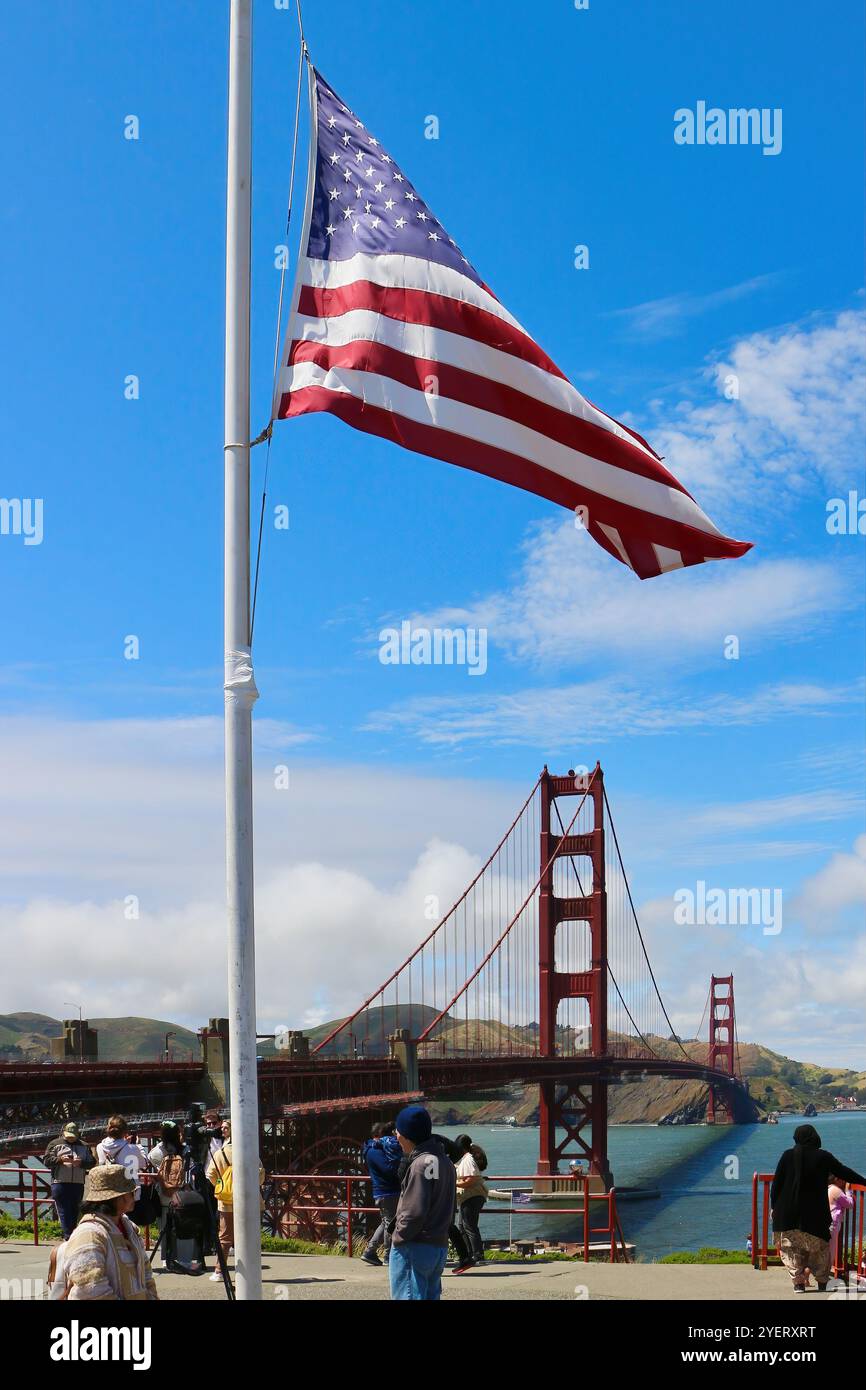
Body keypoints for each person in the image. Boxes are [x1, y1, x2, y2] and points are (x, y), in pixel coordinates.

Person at [770, 1124, 866, 1292]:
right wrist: (864, 1181)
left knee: (791, 1249)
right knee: (819, 1247)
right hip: (814, 1212)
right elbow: (844, 1172)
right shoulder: (823, 1157)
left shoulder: (787, 1156)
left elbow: (776, 1185)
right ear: (814, 1137)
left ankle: (798, 1284)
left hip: (787, 1212)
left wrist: (773, 1207)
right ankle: (822, 1282)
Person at [59, 1163, 158, 1301]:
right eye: (132, 1192)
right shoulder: (89, 1234)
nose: (135, 1196)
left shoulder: (129, 1226)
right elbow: (89, 1288)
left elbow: (146, 1271)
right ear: (116, 1198)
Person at [389, 1105, 456, 1302]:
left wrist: (398, 1237)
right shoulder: (444, 1161)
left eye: (397, 1131)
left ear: (407, 1135)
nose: (396, 1136)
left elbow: (414, 1212)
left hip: (414, 1245)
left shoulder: (420, 1164)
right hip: (438, 1246)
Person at [204, 1119, 265, 1281]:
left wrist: (221, 1184)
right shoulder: (249, 1151)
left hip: (227, 1200)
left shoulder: (220, 1153)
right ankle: (252, 1270)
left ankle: (219, 1271)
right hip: (250, 1199)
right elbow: (260, 1176)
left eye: (225, 1128)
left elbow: (210, 1174)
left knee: (225, 1237)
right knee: (251, 1236)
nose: (222, 1130)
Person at [42, 1122, 95, 1239]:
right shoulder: (54, 1144)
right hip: (60, 1183)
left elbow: (92, 1162)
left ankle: (71, 1236)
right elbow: (46, 1161)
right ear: (63, 1133)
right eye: (68, 1136)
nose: (71, 1139)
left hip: (78, 1184)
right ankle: (68, 1237)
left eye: (73, 1136)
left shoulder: (84, 1146)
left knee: (75, 1211)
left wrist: (81, 1163)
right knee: (64, 1212)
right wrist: (60, 1160)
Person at [361, 1121, 402, 1266]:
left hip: (383, 1191)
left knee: (386, 1222)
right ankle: (388, 1255)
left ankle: (370, 1251)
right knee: (390, 1224)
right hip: (387, 1191)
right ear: (379, 1135)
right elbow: (389, 1170)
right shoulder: (374, 1151)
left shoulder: (373, 1149)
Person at [147, 1121, 185, 1271]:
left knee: (164, 1225)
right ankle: (181, 1256)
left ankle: (166, 1258)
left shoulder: (156, 1152)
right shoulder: (183, 1149)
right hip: (181, 1192)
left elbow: (151, 1164)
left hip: (164, 1192)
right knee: (180, 1225)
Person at [454, 1133, 488, 1271]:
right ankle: (469, 1254)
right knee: (462, 1226)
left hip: (472, 1196)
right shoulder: (468, 1158)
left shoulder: (467, 1159)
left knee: (469, 1226)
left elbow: (470, 1180)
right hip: (471, 1196)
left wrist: (454, 1184)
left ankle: (477, 1255)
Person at [96, 1115, 149, 1201]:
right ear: (125, 1132)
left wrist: (124, 1142)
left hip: (108, 1192)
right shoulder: (133, 1148)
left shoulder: (100, 1147)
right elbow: (144, 1163)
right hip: (129, 1194)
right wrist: (138, 1146)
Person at [828, 1174, 855, 1273]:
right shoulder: (836, 1190)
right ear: (837, 1179)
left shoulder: (827, 1188)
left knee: (820, 1251)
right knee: (830, 1252)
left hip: (824, 1222)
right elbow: (850, 1204)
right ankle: (822, 1279)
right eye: (843, 1179)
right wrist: (848, 1191)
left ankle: (806, 1276)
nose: (844, 1181)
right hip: (832, 1223)